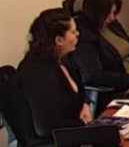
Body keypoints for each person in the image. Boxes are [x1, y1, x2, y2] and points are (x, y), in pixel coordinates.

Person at [17, 9, 91, 139]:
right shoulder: (39, 73)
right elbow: (46, 128)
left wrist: (84, 105)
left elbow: (77, 92)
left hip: (74, 133)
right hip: (57, 145)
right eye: (73, 31)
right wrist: (81, 123)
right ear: (59, 40)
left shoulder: (60, 59)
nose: (78, 34)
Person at [73, 0, 129, 103]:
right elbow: (94, 75)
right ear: (97, 14)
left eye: (113, 13)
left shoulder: (112, 24)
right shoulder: (84, 36)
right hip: (119, 90)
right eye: (109, 14)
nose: (112, 18)